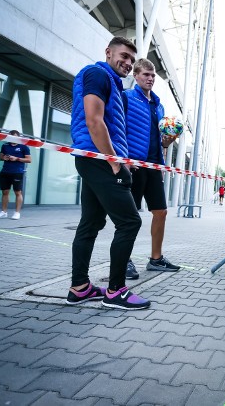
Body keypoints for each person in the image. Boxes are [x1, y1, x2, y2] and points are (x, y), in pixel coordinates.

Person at [66, 36, 150, 310]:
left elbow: (109, 125)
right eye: (123, 56)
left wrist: (122, 159)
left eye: (130, 59)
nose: (127, 63)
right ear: (108, 52)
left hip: (97, 158)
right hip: (99, 160)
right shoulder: (97, 74)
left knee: (90, 224)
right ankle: (115, 292)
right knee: (129, 222)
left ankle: (79, 288)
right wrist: (116, 163)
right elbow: (94, 120)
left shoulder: (111, 83)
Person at [122, 58, 180, 280]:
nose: (150, 78)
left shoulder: (159, 105)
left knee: (161, 212)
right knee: (130, 216)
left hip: (155, 165)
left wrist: (170, 140)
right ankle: (124, 260)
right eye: (146, 74)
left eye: (153, 75)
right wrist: (124, 159)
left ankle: (156, 259)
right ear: (135, 76)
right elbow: (118, 129)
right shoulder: (126, 98)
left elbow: (162, 142)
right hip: (134, 166)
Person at [0, 130, 31, 220]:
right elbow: (0, 157)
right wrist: (4, 157)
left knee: (18, 192)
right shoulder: (5, 145)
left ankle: (17, 213)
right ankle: (4, 212)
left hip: (17, 172)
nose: (12, 139)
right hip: (5, 172)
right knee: (5, 192)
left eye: (14, 137)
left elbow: (29, 160)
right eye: (11, 137)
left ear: (18, 137)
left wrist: (16, 158)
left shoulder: (23, 146)